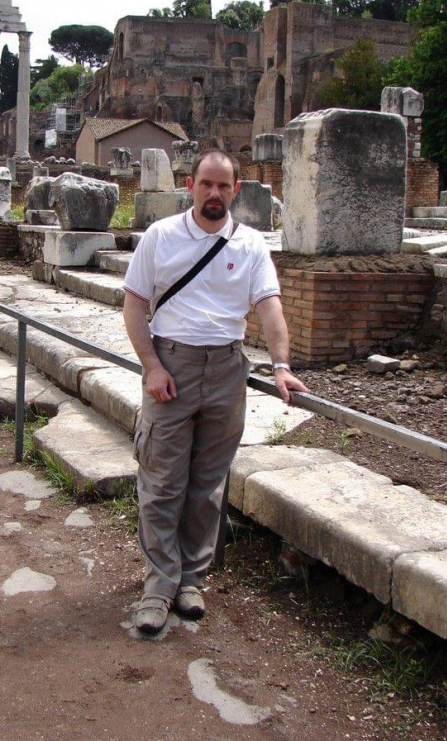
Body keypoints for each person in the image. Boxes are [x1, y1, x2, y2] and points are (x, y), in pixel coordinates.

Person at [123, 148, 309, 634]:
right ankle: (159, 583)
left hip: (227, 368)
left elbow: (270, 309)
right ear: (190, 185)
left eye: (223, 186)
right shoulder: (161, 237)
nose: (214, 193)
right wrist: (152, 367)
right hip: (172, 364)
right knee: (163, 481)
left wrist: (282, 366)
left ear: (236, 191)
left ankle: (191, 578)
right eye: (206, 184)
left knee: (207, 485)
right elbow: (134, 306)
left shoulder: (250, 245)